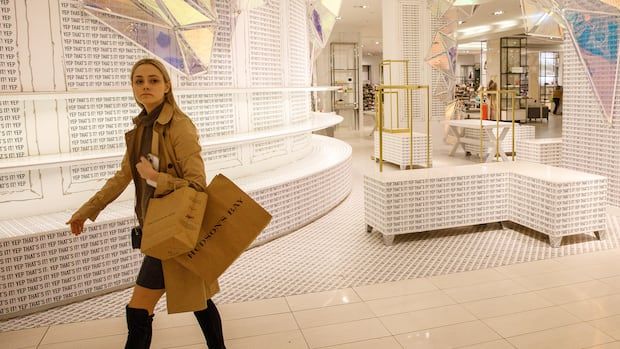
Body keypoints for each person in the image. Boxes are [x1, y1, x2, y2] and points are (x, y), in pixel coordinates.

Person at [66, 58, 225, 349]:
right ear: (132, 88)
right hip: (159, 228)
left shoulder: (179, 126)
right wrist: (88, 210)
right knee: (199, 299)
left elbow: (197, 184)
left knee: (139, 309)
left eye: (153, 80)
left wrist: (155, 177)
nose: (145, 86)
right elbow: (123, 176)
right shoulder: (141, 128)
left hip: (173, 231)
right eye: (139, 81)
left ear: (167, 85)